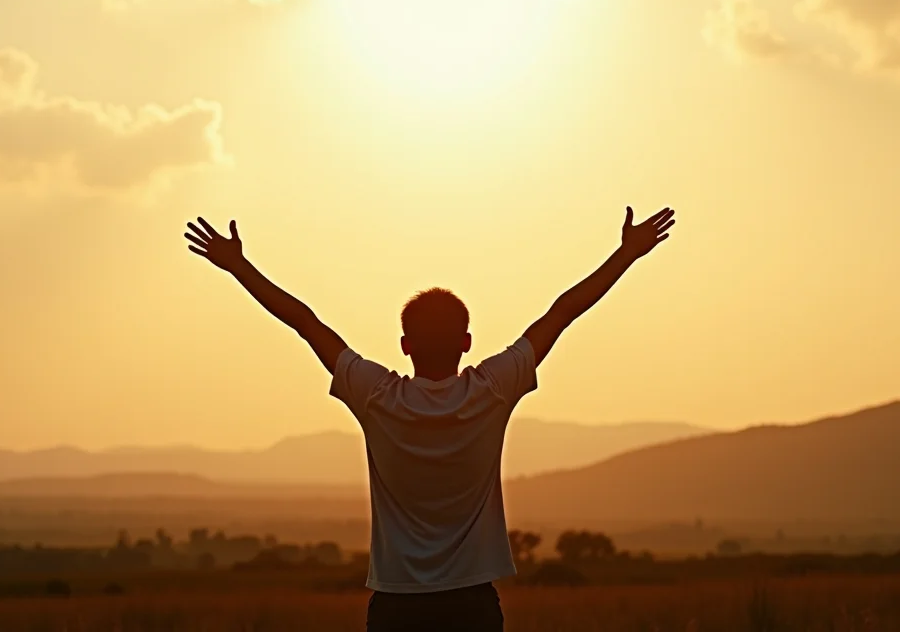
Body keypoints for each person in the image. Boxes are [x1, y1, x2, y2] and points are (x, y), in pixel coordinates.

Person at [184, 205, 677, 631]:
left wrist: (238, 267)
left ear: (405, 345)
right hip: (472, 605)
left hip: (397, 608)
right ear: (466, 342)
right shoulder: (492, 390)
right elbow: (561, 313)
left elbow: (306, 322)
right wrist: (626, 255)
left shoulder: (376, 395)